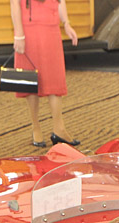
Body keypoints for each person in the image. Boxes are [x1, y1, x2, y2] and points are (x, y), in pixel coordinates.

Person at [10, 0, 80, 147]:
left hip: (51, 28)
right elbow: (14, 3)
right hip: (28, 30)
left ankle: (59, 128)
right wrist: (19, 35)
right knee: (30, 80)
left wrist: (66, 23)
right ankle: (36, 128)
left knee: (55, 79)